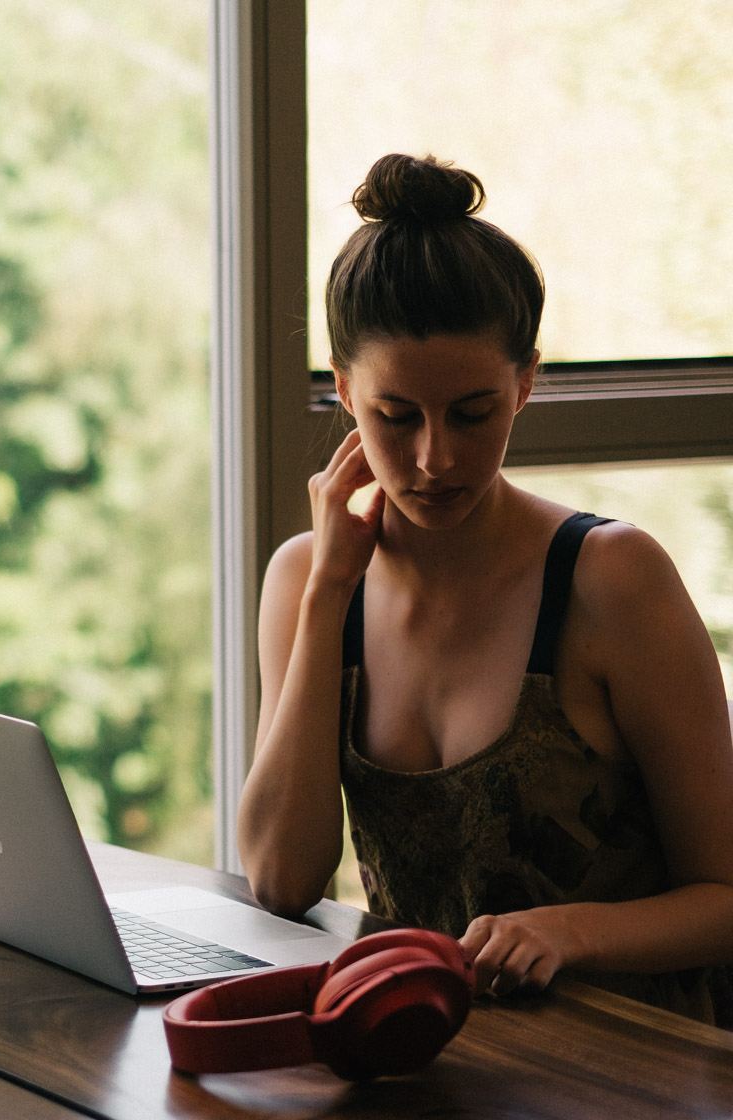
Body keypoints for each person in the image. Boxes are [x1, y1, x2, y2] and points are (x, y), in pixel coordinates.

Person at [238, 153, 733, 1025]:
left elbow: (724, 893)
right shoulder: (306, 583)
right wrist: (326, 598)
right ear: (345, 391)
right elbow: (280, 881)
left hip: (642, 1070)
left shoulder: (610, 579)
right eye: (397, 417)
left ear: (526, 384)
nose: (435, 458)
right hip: (428, 1056)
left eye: (474, 413)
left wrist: (570, 932)